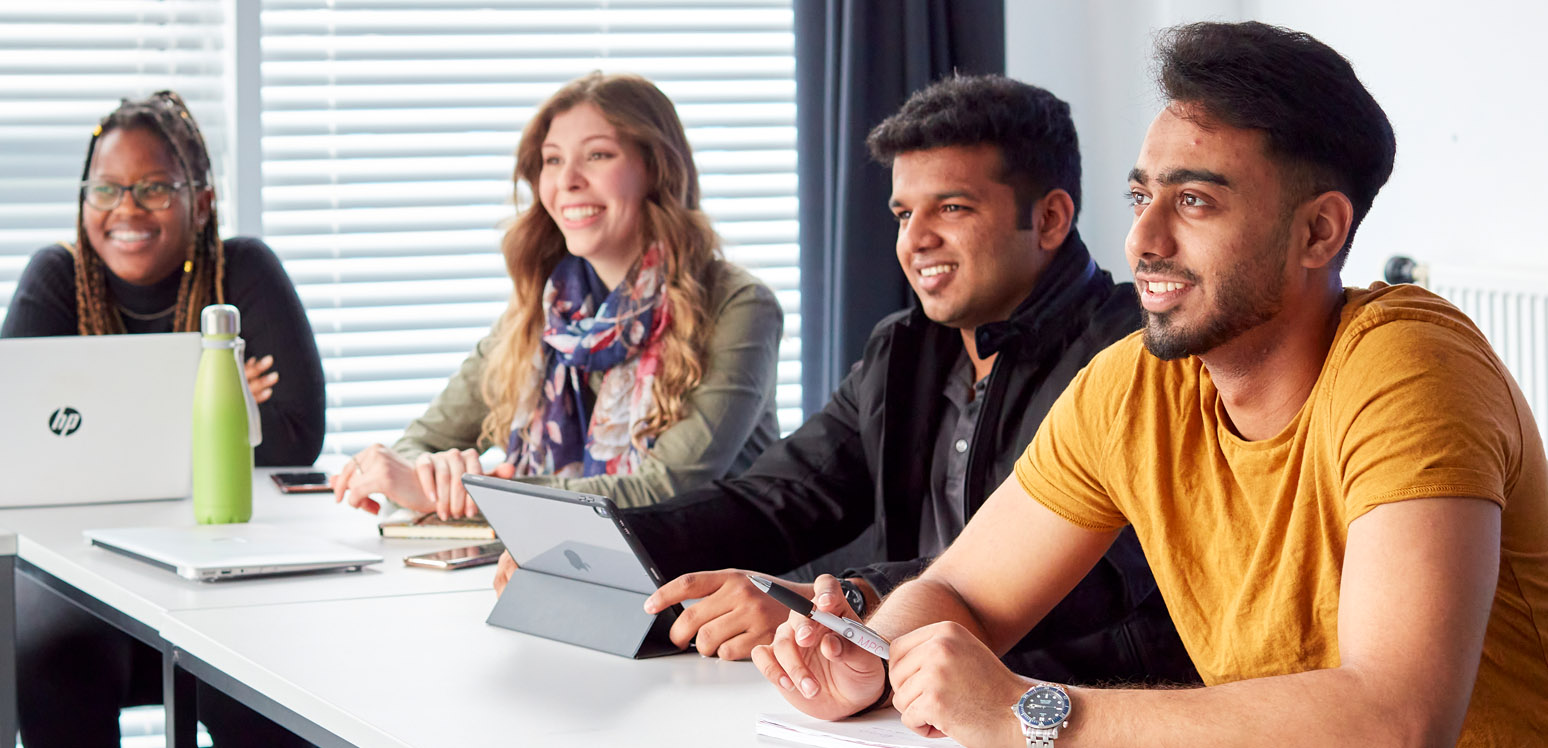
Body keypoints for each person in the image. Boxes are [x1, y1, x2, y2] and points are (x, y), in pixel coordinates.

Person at [753, 21, 1548, 747]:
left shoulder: (1409, 366)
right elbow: (963, 593)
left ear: (1319, 230)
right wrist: (874, 658)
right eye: (1141, 196)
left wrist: (1028, 712)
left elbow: (1397, 720)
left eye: (1194, 201)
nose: (1142, 238)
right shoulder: (1135, 384)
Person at [500, 74, 1197, 685]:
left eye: (952, 208)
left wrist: (846, 605)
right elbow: (779, 500)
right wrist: (594, 546)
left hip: (1076, 706)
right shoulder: (904, 351)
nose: (915, 239)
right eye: (904, 213)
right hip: (901, 698)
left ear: (1048, 219)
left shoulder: (1139, 357)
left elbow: (1100, 576)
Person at [6, 92, 323, 746]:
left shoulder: (245, 271)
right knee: (53, 664)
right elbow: (18, 446)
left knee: (262, 679)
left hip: (223, 565)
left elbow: (294, 436)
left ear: (200, 201)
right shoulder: (56, 278)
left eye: (154, 188)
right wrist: (213, 406)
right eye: (106, 189)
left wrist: (105, 427)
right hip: (80, 572)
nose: (127, 209)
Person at [331, 72, 782, 519]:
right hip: (565, 559)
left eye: (598, 155)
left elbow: (667, 489)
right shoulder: (544, 312)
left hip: (718, 563)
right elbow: (418, 445)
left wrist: (475, 494)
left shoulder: (739, 306)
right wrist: (433, 476)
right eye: (552, 160)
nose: (567, 180)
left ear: (657, 169)